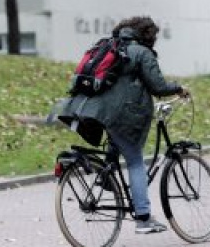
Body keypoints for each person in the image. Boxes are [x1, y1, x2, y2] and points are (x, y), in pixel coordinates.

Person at [58, 16, 188, 234]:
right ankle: (144, 219)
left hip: (95, 112)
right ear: (147, 35)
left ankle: (106, 176)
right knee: (136, 162)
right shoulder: (141, 53)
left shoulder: (106, 46)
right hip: (122, 115)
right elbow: (158, 86)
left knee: (117, 145)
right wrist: (178, 88)